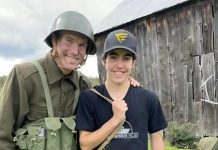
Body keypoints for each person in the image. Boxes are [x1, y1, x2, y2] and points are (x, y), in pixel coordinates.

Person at [0, 11, 139, 150]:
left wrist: (124, 82)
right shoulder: (25, 76)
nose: (75, 51)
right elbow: (3, 137)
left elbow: (95, 129)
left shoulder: (83, 85)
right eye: (68, 41)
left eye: (82, 45)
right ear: (54, 41)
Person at [76, 29, 168, 150]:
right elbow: (85, 145)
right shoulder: (88, 98)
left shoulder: (148, 98)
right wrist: (115, 120)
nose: (119, 65)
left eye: (126, 58)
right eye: (113, 57)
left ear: (133, 63)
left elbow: (157, 138)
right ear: (104, 61)